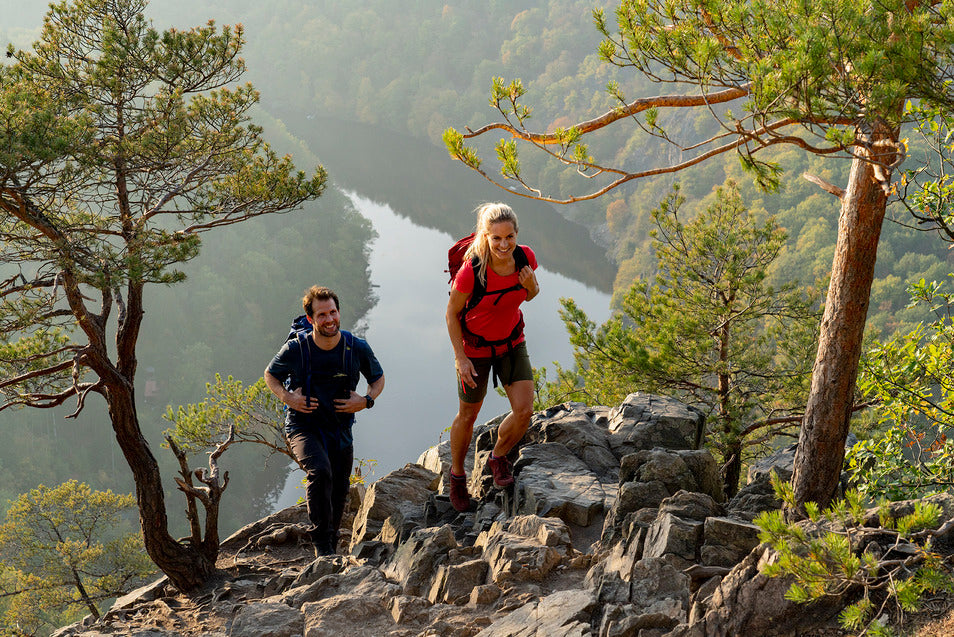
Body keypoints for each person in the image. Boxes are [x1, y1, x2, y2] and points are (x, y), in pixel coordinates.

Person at [264, 286, 385, 556]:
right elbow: (270, 375)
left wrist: (365, 401)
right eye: (322, 315)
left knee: (340, 489)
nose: (329, 319)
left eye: (333, 312)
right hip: (302, 426)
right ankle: (321, 546)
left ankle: (330, 542)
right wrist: (288, 398)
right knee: (320, 472)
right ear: (310, 319)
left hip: (340, 428)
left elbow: (378, 379)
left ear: (339, 312)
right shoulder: (296, 349)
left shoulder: (356, 347)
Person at [445, 202, 540, 512]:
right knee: (468, 415)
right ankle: (457, 477)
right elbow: (451, 314)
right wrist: (461, 358)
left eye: (509, 237)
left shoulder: (525, 257)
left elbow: (530, 294)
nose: (503, 245)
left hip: (512, 341)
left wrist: (531, 286)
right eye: (496, 238)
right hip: (475, 349)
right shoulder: (471, 271)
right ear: (484, 236)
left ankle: (498, 456)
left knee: (524, 410)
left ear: (516, 235)